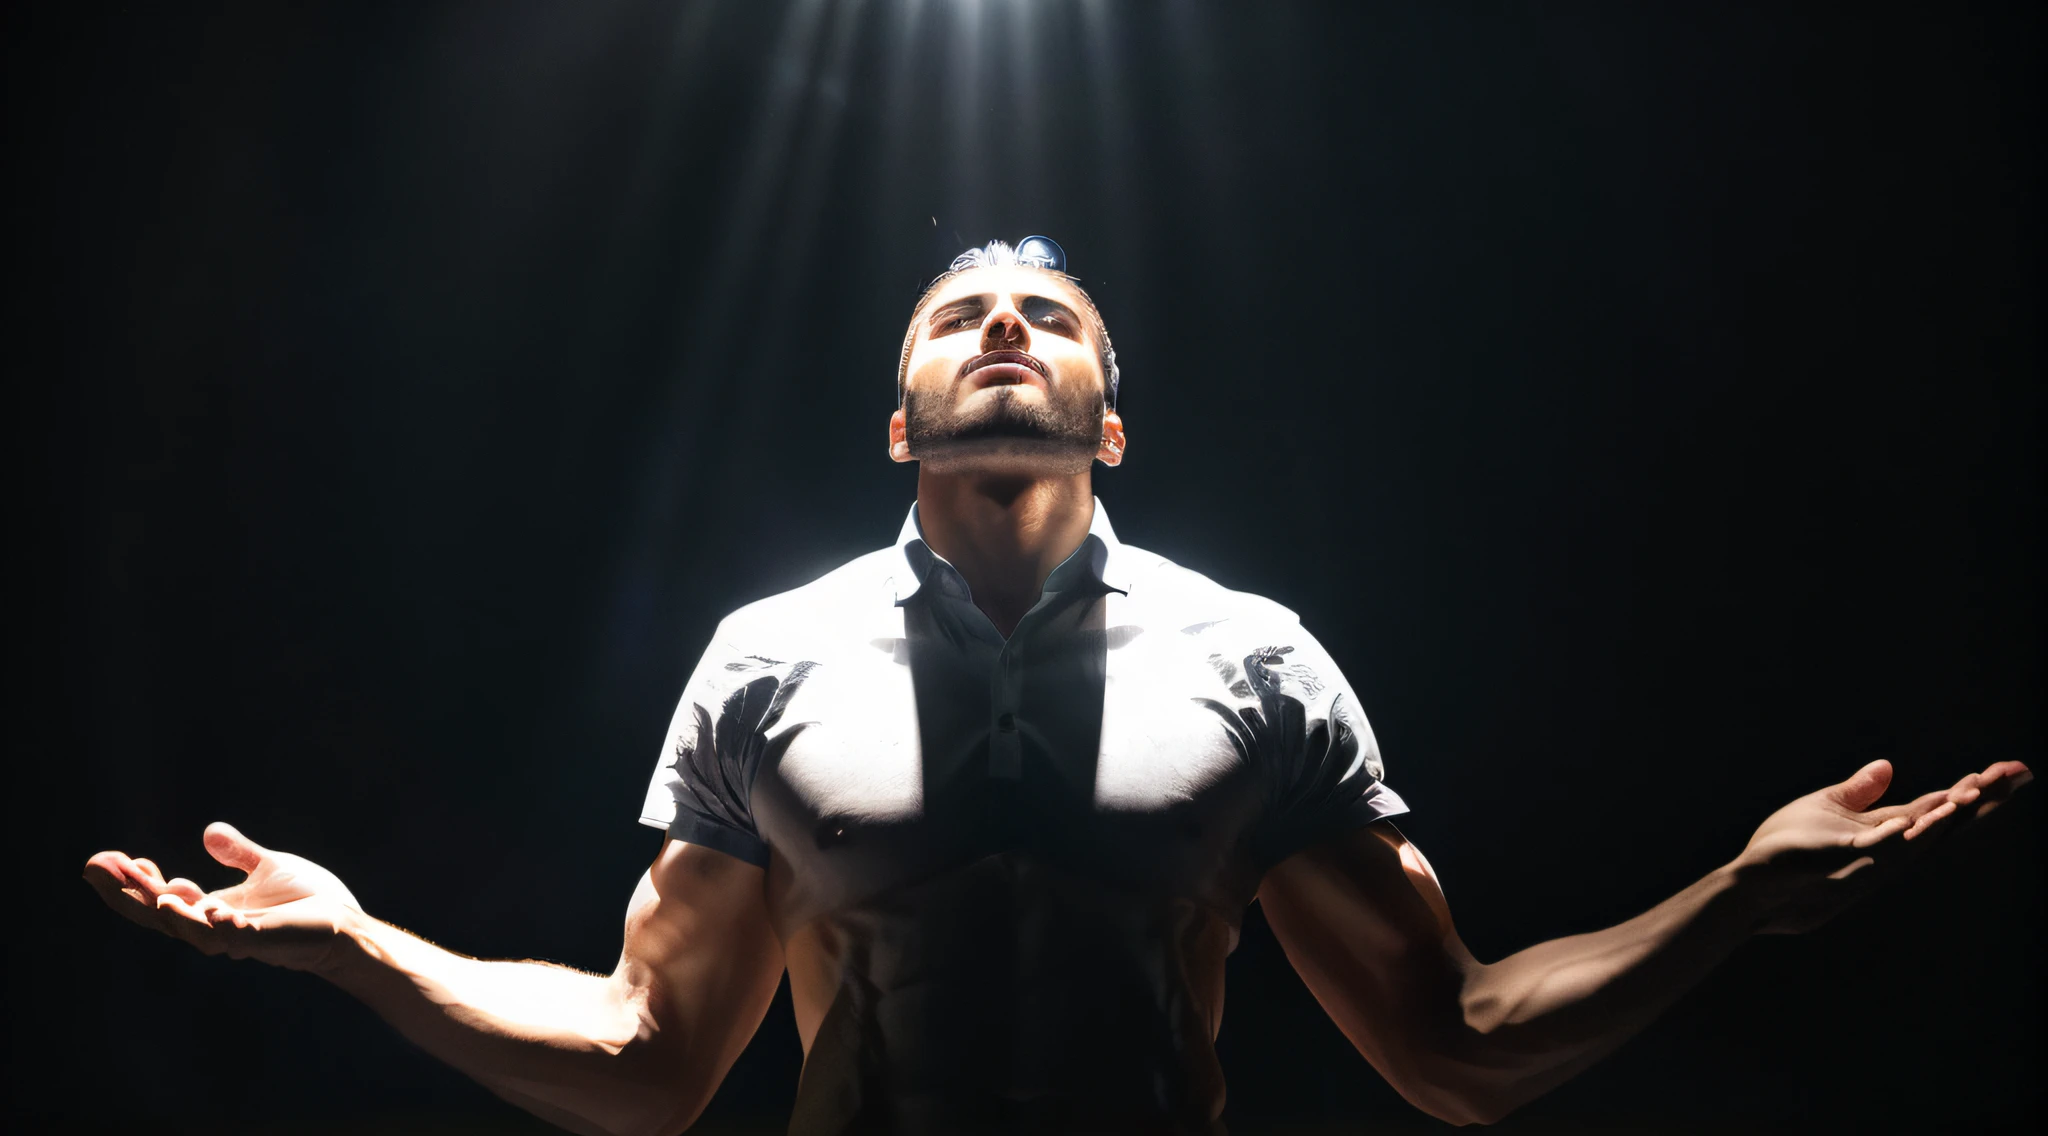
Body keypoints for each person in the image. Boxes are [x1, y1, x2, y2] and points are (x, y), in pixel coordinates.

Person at [85, 238, 2030, 1136]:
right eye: (956, 314)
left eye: (1050, 315)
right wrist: (359, 948)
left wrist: (1737, 901)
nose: (1003, 325)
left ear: (1111, 414)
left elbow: (1452, 1040)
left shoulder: (1251, 660)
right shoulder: (770, 659)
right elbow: (649, 1055)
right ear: (898, 416)